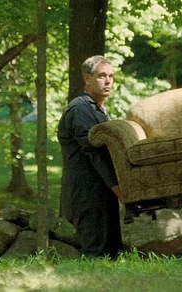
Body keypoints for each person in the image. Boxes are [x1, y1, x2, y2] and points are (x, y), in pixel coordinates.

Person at [57, 55, 123, 258]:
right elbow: (94, 153)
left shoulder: (100, 110)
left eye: (111, 76)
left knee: (112, 254)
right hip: (87, 195)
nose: (108, 81)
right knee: (96, 255)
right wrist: (119, 189)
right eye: (102, 76)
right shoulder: (79, 110)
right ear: (87, 78)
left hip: (104, 193)